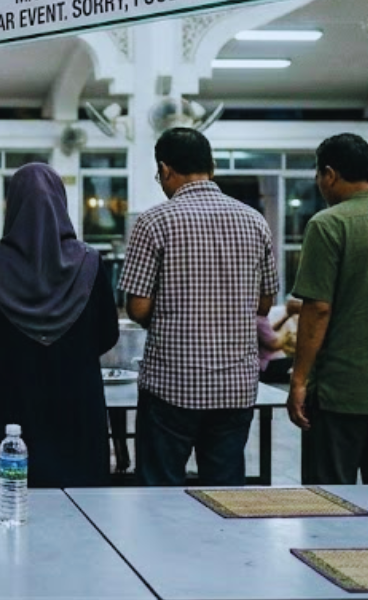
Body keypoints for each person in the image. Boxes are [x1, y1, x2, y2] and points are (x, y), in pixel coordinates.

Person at [120, 128, 279, 487]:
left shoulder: (154, 221)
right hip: (235, 386)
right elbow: (264, 303)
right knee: (224, 491)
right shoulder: (254, 220)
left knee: (158, 490)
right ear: (212, 166)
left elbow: (138, 308)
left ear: (165, 169)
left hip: (171, 384)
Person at [0, 163, 119, 488]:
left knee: (14, 486)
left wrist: (10, 350)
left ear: (12, 205)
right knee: (81, 489)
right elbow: (108, 331)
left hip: (12, 390)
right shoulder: (90, 262)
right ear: (61, 202)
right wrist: (73, 350)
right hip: (78, 392)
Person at [287, 133, 368, 485]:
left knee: (330, 503)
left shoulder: (329, 223)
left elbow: (318, 309)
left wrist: (299, 379)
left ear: (330, 174)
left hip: (340, 391)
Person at [257, 297, 301, 384]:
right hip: (268, 365)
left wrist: (288, 315)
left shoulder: (261, 319)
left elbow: (271, 331)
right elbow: (274, 345)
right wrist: (287, 335)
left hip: (273, 362)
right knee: (302, 364)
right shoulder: (259, 320)